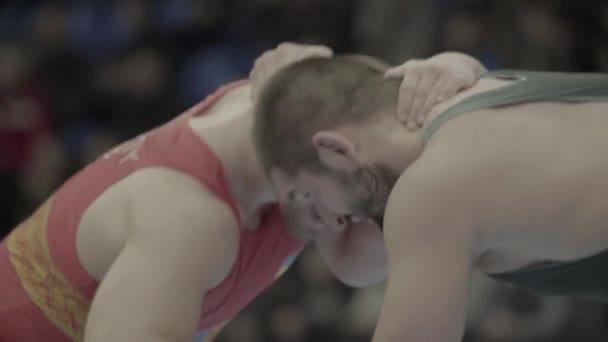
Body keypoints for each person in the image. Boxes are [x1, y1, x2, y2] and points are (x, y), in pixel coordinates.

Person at [0, 43, 485, 342]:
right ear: (335, 152)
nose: (356, 222)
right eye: (364, 206)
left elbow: (363, 260)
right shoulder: (183, 218)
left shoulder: (307, 113)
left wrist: (459, 78)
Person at [254, 57, 608, 342]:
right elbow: (357, 264)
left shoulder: (432, 191)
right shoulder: (476, 87)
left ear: (334, 149)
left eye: (308, 195)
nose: (331, 220)